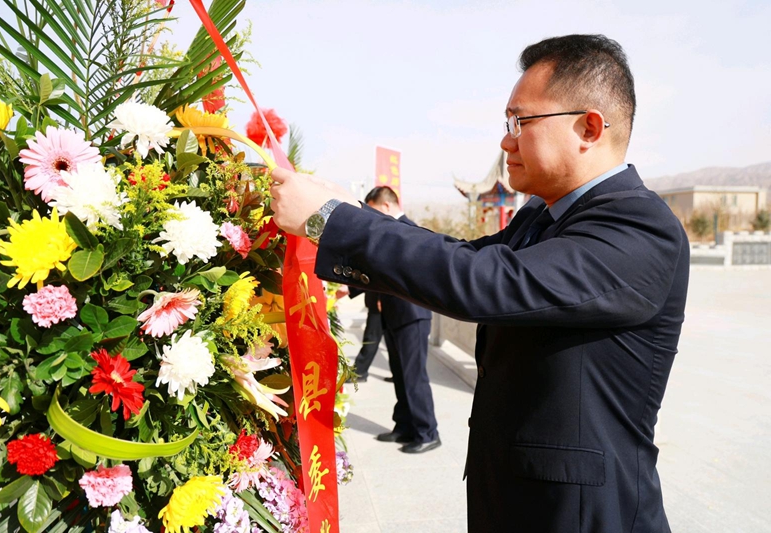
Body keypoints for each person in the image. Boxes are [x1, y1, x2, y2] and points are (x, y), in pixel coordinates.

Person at [270, 34, 689, 533]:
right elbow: (469, 257)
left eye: (520, 122)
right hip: (512, 498)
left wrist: (331, 221)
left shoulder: (639, 226)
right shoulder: (540, 216)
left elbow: (487, 281)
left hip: (581, 515)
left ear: (589, 127)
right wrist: (355, 213)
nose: (506, 141)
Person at [352, 186, 440, 453]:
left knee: (414, 376)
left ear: (387, 206)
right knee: (400, 375)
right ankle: (404, 426)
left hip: (412, 315)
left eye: (374, 211)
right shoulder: (394, 230)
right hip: (394, 314)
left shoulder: (408, 231)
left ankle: (427, 432)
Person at [351, 290, 384, 382]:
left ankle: (359, 372)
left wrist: (381, 298)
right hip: (381, 301)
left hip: (381, 302)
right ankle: (400, 374)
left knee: (371, 339)